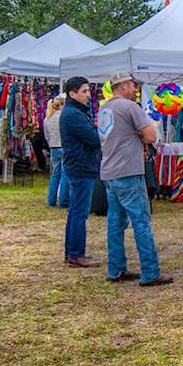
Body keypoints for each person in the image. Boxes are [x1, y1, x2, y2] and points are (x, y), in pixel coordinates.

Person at [98, 73, 171, 287]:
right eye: (132, 85)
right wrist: (141, 136)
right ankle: (150, 271)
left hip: (110, 171)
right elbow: (150, 135)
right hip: (128, 171)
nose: (135, 89)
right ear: (122, 86)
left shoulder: (104, 108)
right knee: (141, 222)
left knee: (115, 222)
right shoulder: (130, 107)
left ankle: (116, 268)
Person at [59, 76, 100, 269]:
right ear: (72, 93)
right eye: (84, 92)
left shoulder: (74, 112)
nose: (87, 95)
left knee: (76, 211)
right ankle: (76, 254)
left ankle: (72, 252)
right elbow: (93, 138)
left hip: (79, 164)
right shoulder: (73, 114)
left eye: (88, 91)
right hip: (81, 165)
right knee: (79, 212)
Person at [44, 97, 69, 208]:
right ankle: (63, 201)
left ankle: (51, 199)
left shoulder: (47, 119)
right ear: (62, 105)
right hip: (63, 146)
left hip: (53, 146)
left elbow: (46, 136)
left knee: (55, 174)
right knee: (65, 174)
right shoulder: (63, 117)